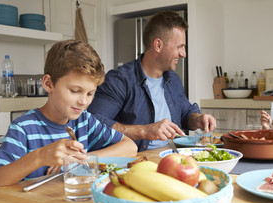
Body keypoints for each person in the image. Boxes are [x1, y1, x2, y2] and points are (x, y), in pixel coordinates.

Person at [0, 40, 138, 191]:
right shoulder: (24, 128)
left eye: (90, 93)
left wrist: (83, 160)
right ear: (49, 84)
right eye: (75, 91)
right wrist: (39, 157)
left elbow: (130, 147)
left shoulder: (85, 121)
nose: (84, 101)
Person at [88, 10, 216, 151]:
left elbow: (185, 112)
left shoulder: (173, 79)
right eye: (179, 46)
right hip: (137, 160)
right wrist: (144, 131)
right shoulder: (119, 80)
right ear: (158, 45)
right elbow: (94, 122)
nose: (183, 54)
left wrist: (198, 119)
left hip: (171, 154)